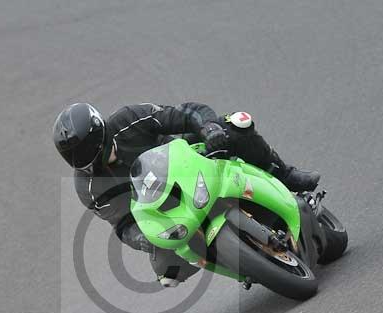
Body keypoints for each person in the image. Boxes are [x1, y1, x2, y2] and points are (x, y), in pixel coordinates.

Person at [53, 102, 320, 286]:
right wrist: (143, 238)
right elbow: (122, 225)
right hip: (169, 213)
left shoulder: (128, 119)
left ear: (100, 131)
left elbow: (183, 112)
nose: (86, 160)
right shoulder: (87, 187)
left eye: (87, 149)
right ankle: (243, 266)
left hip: (191, 165)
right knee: (167, 272)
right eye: (75, 156)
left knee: (236, 123)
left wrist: (208, 128)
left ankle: (284, 174)